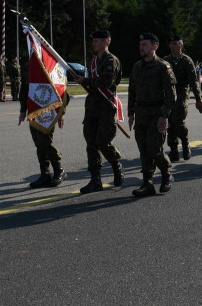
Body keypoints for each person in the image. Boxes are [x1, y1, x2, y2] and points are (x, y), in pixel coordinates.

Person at [128, 33, 177, 197]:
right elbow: (132, 92)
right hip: (141, 113)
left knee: (155, 149)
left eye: (145, 45)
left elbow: (172, 96)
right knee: (143, 149)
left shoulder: (163, 66)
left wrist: (164, 115)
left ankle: (166, 174)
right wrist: (130, 113)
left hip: (157, 114)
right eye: (140, 44)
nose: (141, 47)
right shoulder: (136, 67)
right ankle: (147, 183)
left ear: (154, 47)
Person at [75, 29, 124, 193]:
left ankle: (116, 165)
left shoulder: (111, 60)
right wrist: (86, 82)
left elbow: (106, 82)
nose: (94, 43)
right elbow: (94, 83)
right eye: (94, 41)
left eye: (97, 41)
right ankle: (95, 180)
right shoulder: (94, 60)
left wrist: (86, 81)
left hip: (105, 108)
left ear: (106, 42)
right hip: (92, 108)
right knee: (91, 144)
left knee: (103, 142)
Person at [18, 57, 69, 188]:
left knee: (44, 142)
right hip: (34, 110)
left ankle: (59, 170)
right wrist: (23, 110)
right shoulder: (28, 66)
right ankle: (45, 174)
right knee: (38, 143)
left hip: (49, 111)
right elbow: (25, 88)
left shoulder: (50, 64)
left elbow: (62, 91)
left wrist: (61, 113)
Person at [164, 34, 202, 162]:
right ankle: (174, 150)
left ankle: (185, 144)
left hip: (181, 92)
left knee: (178, 120)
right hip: (169, 94)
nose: (173, 46)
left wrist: (198, 99)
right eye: (171, 44)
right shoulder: (165, 60)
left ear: (182, 45)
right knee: (170, 122)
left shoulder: (186, 60)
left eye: (176, 44)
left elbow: (193, 81)